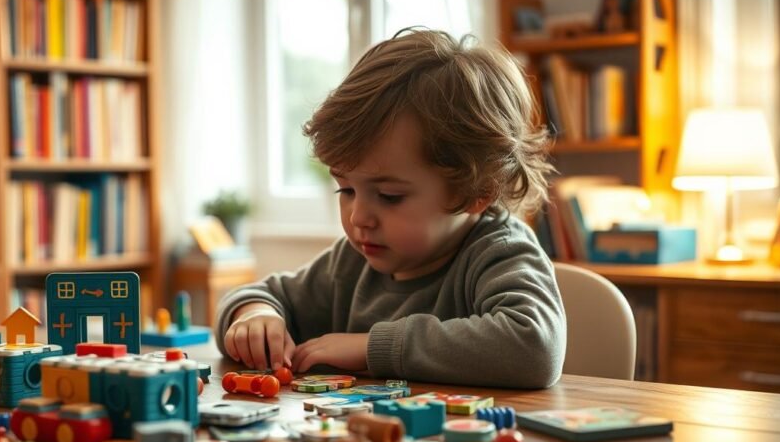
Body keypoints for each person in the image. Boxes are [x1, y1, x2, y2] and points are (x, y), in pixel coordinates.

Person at [214, 28, 565, 388]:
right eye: (346, 190)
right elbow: (258, 295)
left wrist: (372, 348)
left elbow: (534, 346)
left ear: (478, 192)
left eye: (390, 196)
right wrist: (255, 316)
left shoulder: (498, 252)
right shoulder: (350, 264)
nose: (358, 217)